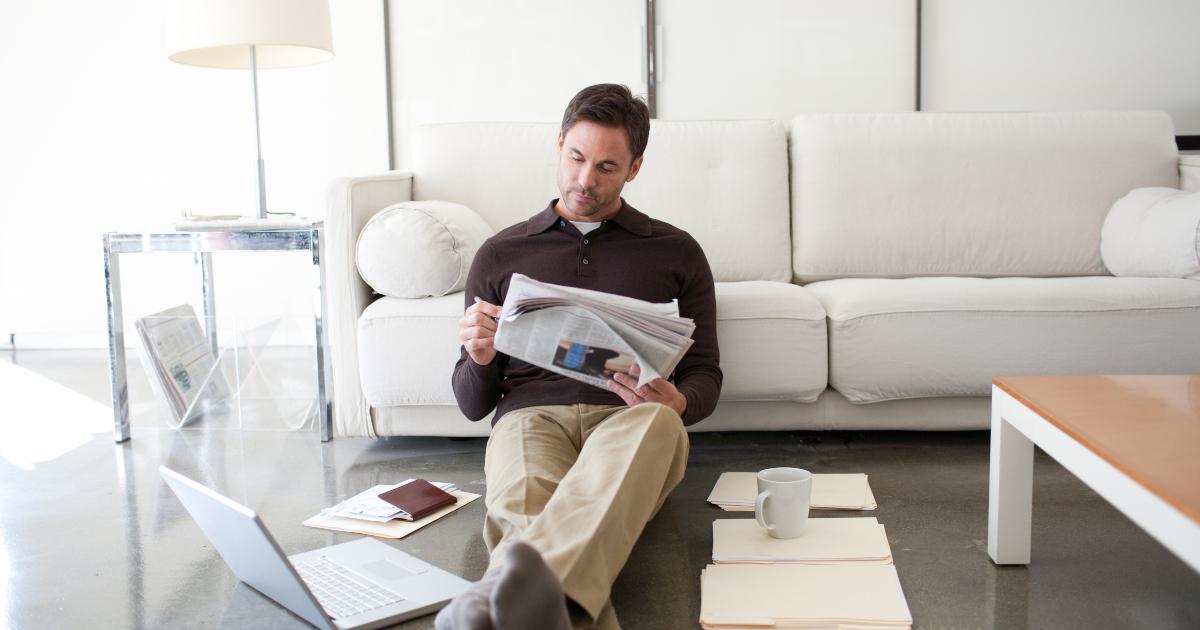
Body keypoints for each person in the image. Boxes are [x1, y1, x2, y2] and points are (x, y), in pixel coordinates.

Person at [437, 83, 722, 630]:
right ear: (560, 142)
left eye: (607, 167)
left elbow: (707, 369)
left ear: (635, 168)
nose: (585, 181)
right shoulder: (501, 252)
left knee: (660, 427)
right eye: (576, 158)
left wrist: (680, 401)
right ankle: (546, 609)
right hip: (530, 417)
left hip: (630, 417)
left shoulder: (676, 251)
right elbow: (473, 405)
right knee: (524, 498)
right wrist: (479, 354)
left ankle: (494, 595)